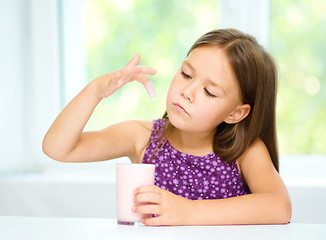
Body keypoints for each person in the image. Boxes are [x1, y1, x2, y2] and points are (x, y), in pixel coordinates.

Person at [43, 28, 292, 226]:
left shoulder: (243, 150)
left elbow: (279, 207)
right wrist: (94, 91)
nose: (187, 92)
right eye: (186, 74)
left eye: (209, 91)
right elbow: (58, 149)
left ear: (235, 113)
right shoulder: (141, 137)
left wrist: (188, 212)